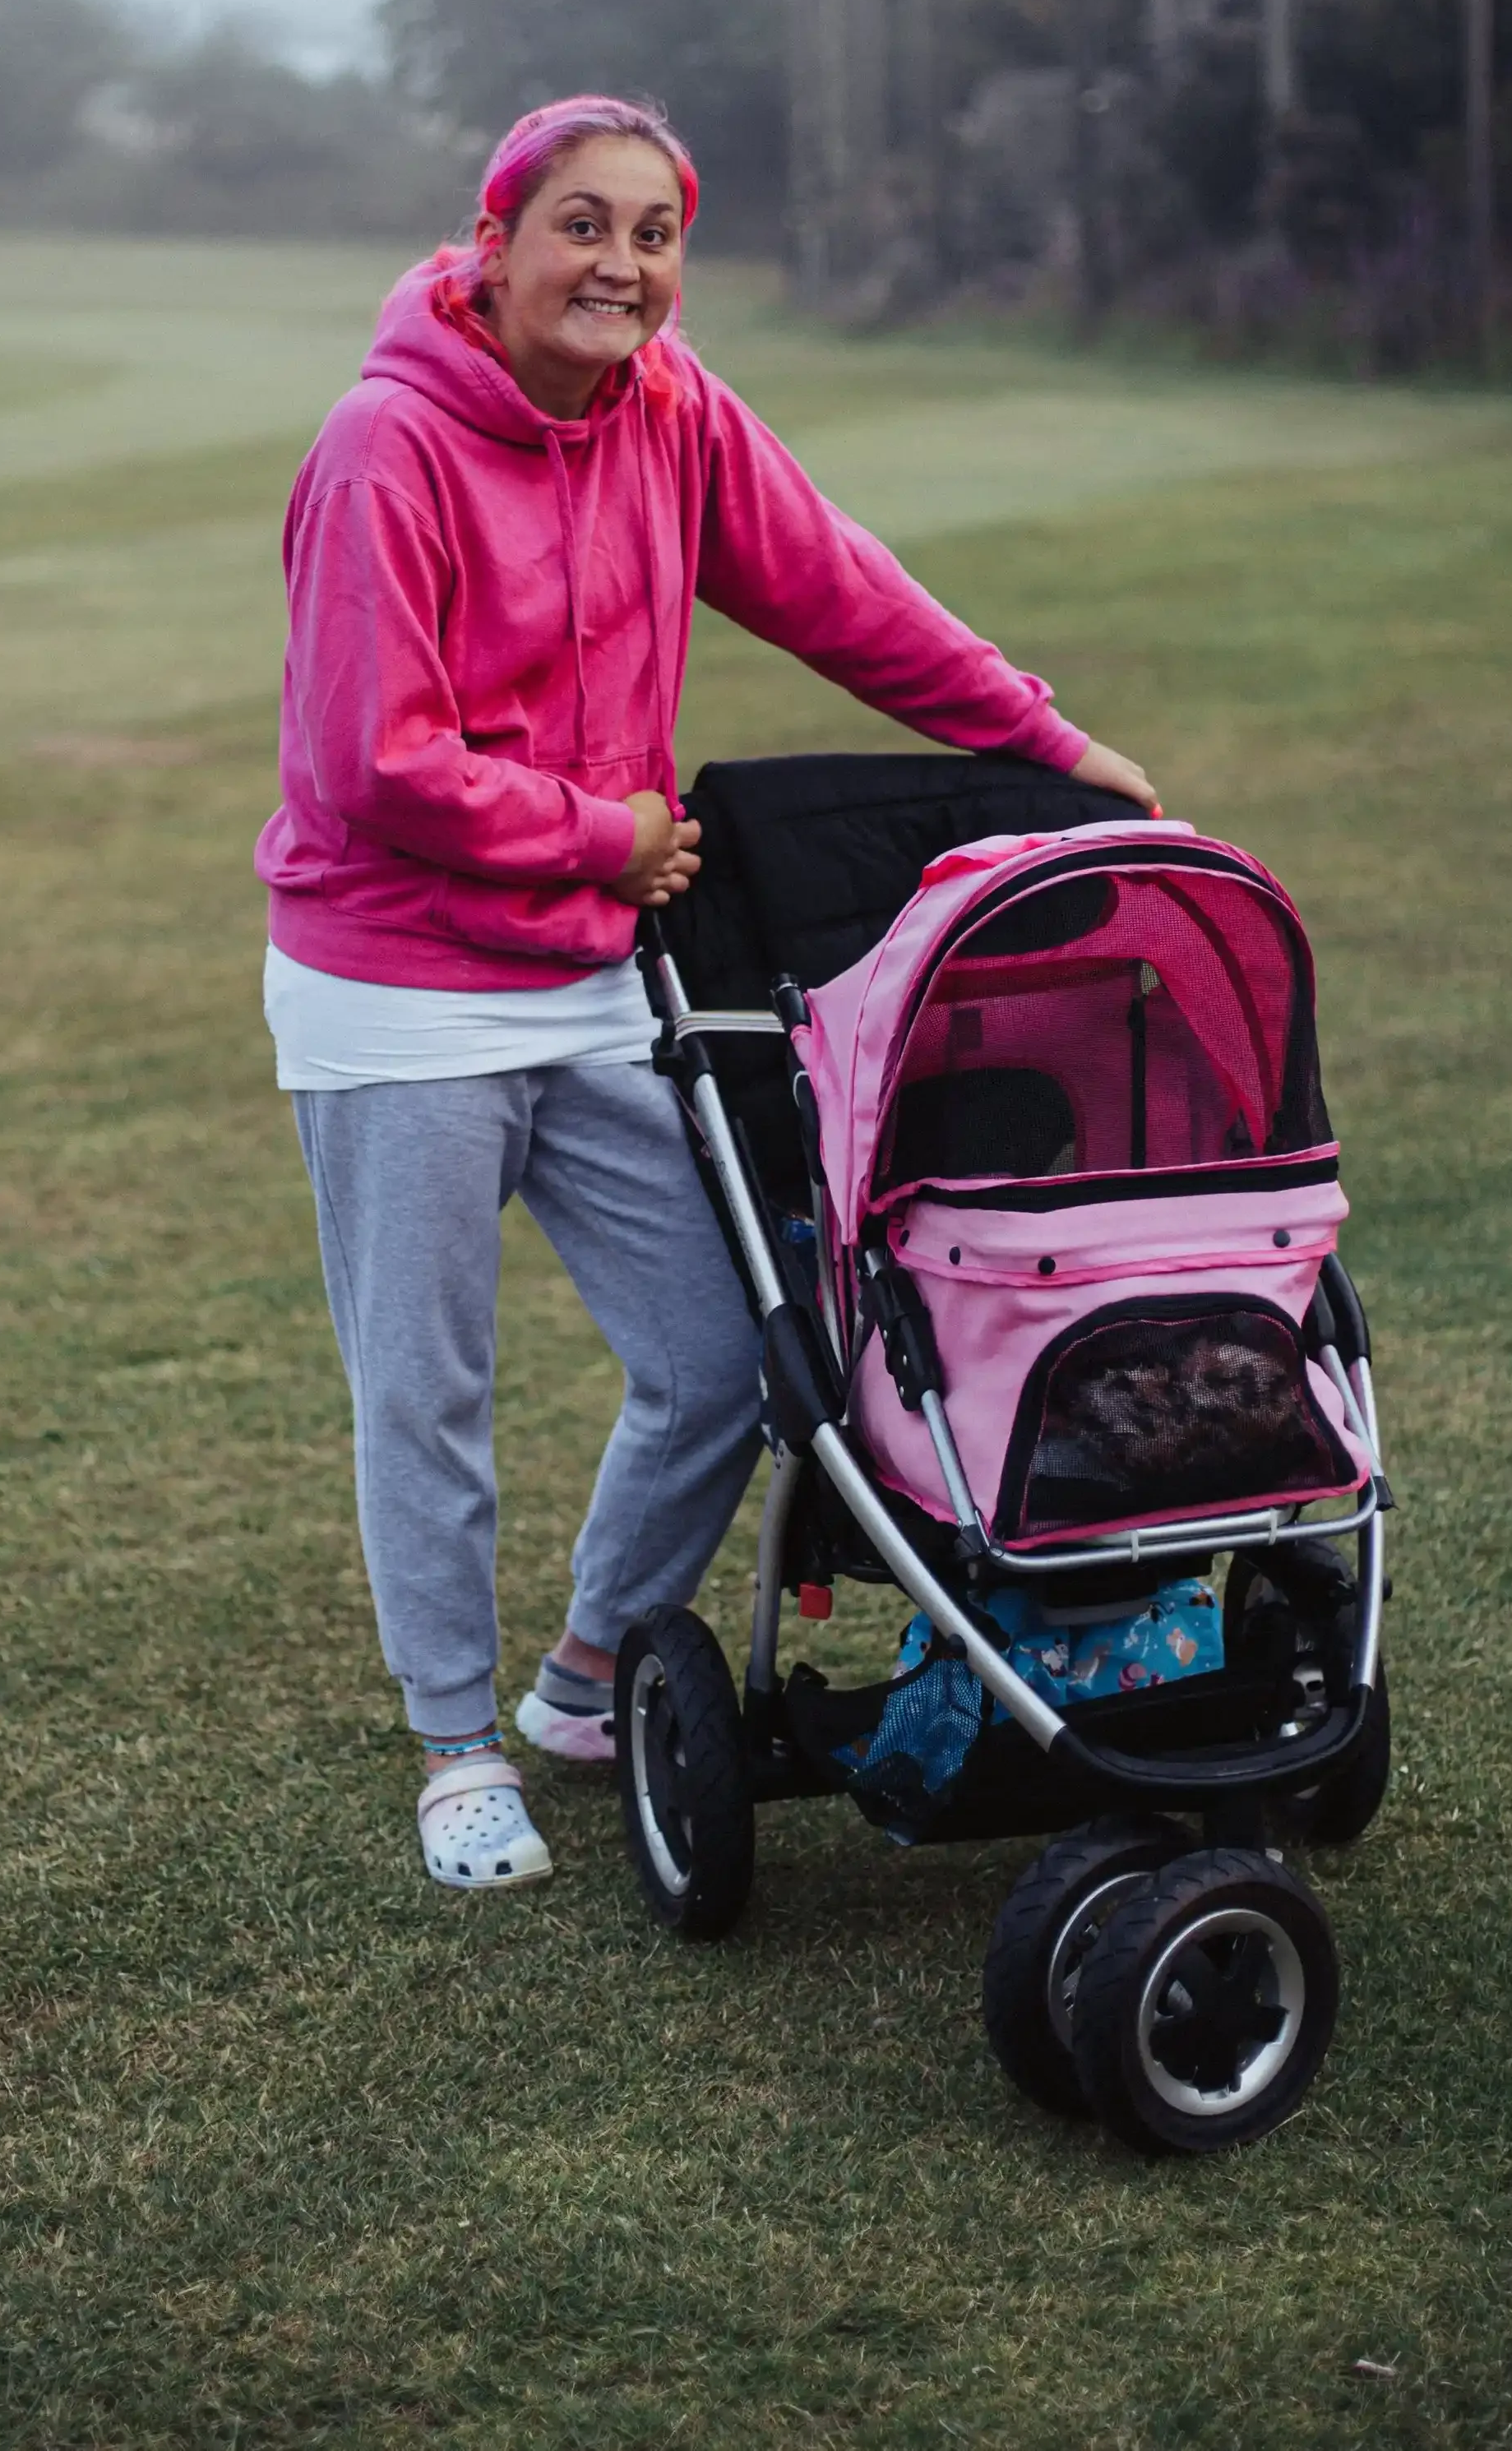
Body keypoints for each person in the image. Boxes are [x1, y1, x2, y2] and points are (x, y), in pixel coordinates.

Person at [257, 93, 1157, 1892]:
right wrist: (600, 833)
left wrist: (1051, 747)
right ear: (495, 241)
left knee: (726, 1356)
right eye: (580, 225)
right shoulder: (384, 446)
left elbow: (848, 599)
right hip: (398, 991)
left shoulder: (672, 413)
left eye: (654, 232)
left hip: (594, 981)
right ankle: (453, 1750)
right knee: (425, 1392)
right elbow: (371, 760)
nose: (621, 265)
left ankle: (586, 1679)